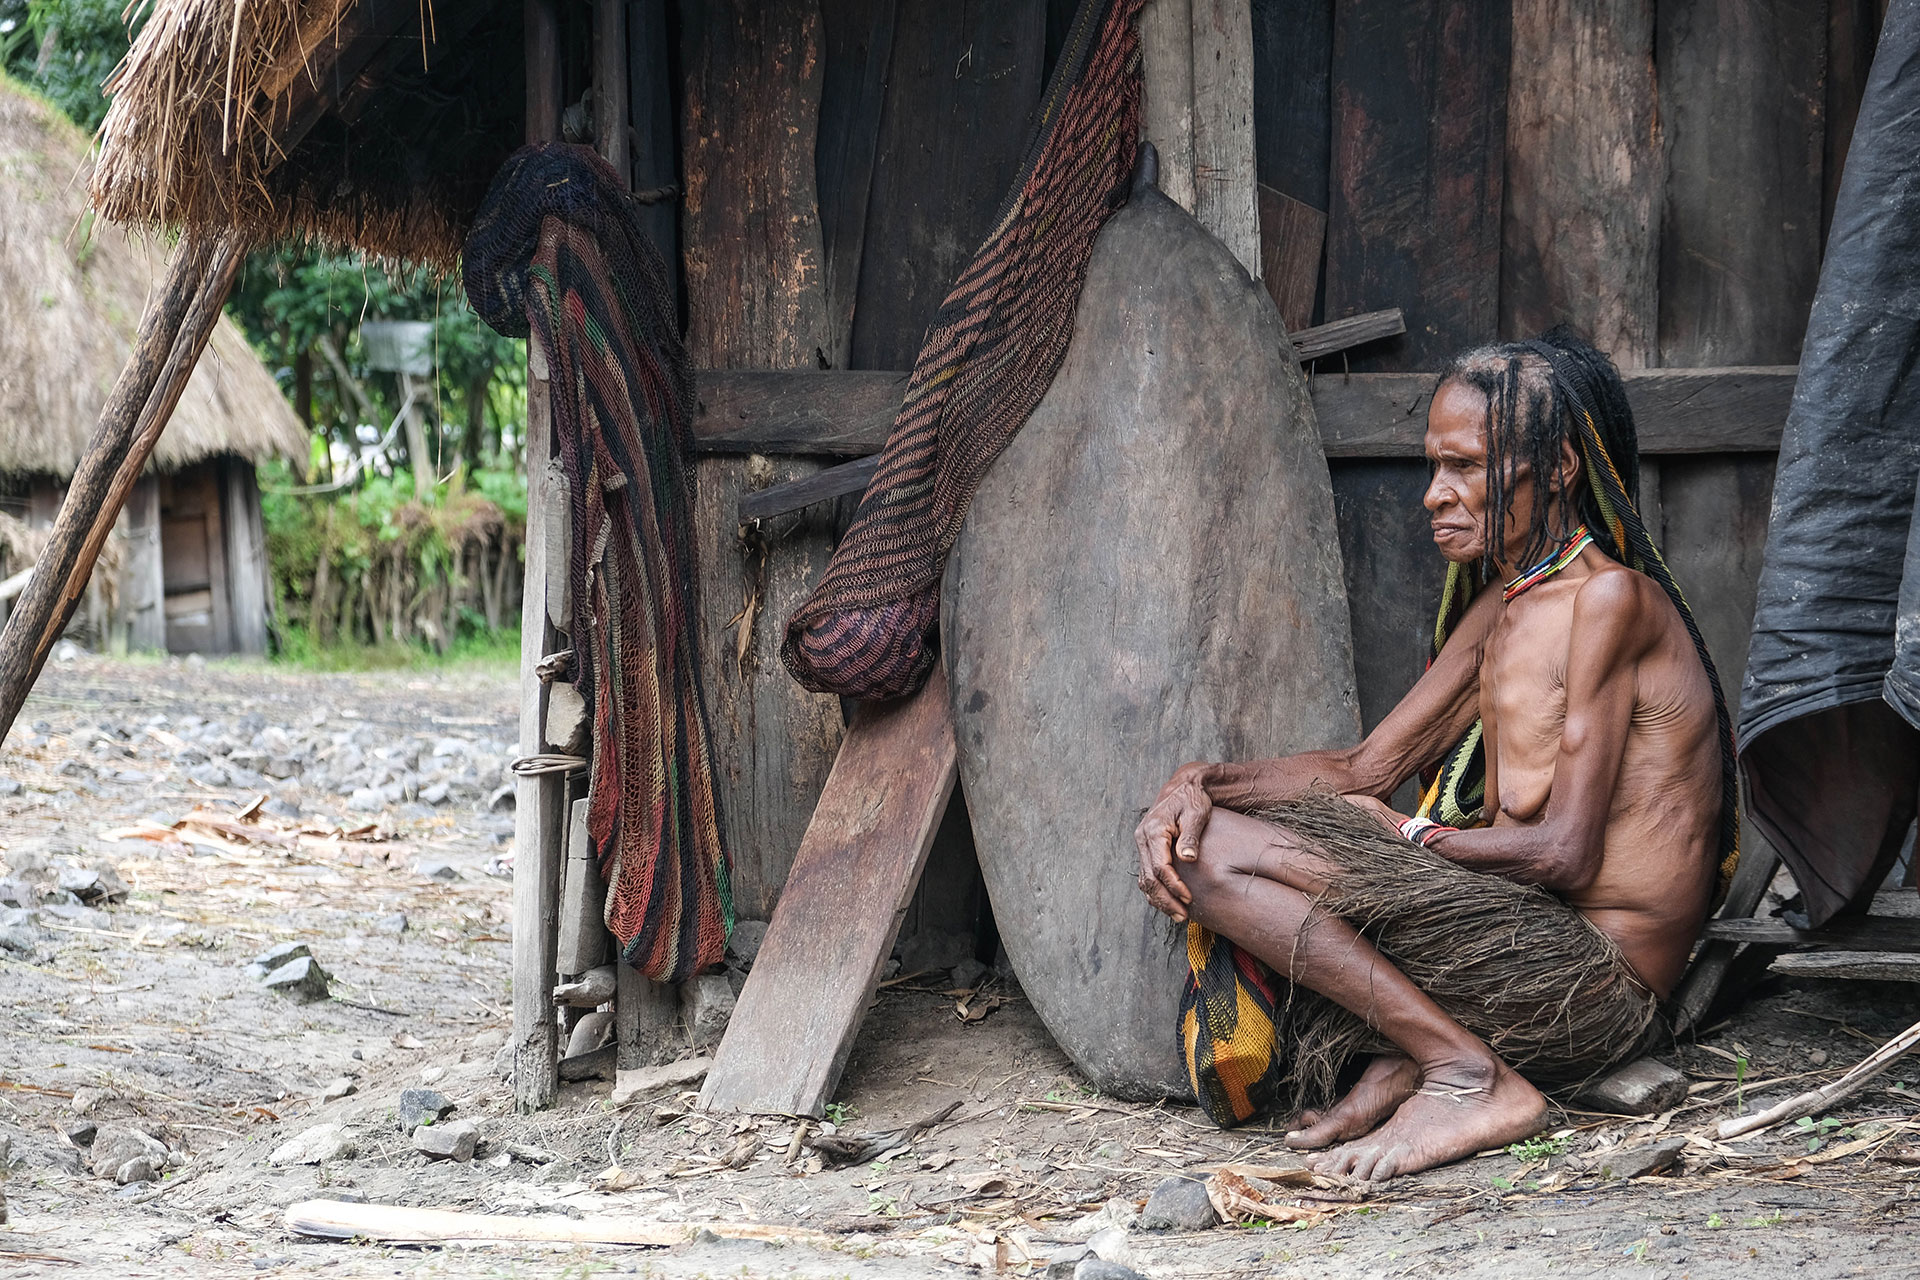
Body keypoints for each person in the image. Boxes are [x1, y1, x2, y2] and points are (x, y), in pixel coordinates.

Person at [1135, 328, 1737, 1181]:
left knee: (1225, 856)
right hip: (1523, 945)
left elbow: (1565, 854)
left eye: (1467, 467)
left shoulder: (1612, 601)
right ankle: (1431, 1056)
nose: (1434, 495)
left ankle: (1462, 1073)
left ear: (1558, 467)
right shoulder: (1506, 602)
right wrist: (1192, 784)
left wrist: (1407, 839)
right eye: (1433, 466)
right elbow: (1362, 770)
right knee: (1204, 837)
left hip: (1594, 985)